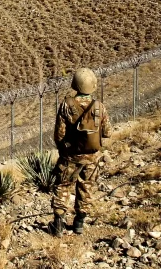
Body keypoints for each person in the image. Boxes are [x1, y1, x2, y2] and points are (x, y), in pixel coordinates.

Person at [51, 67, 111, 236]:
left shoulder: (66, 105)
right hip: (92, 157)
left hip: (70, 156)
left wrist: (64, 150)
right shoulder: (99, 107)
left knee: (62, 186)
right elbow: (107, 133)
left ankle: (58, 224)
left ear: (75, 84)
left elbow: (59, 135)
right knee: (86, 187)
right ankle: (79, 223)